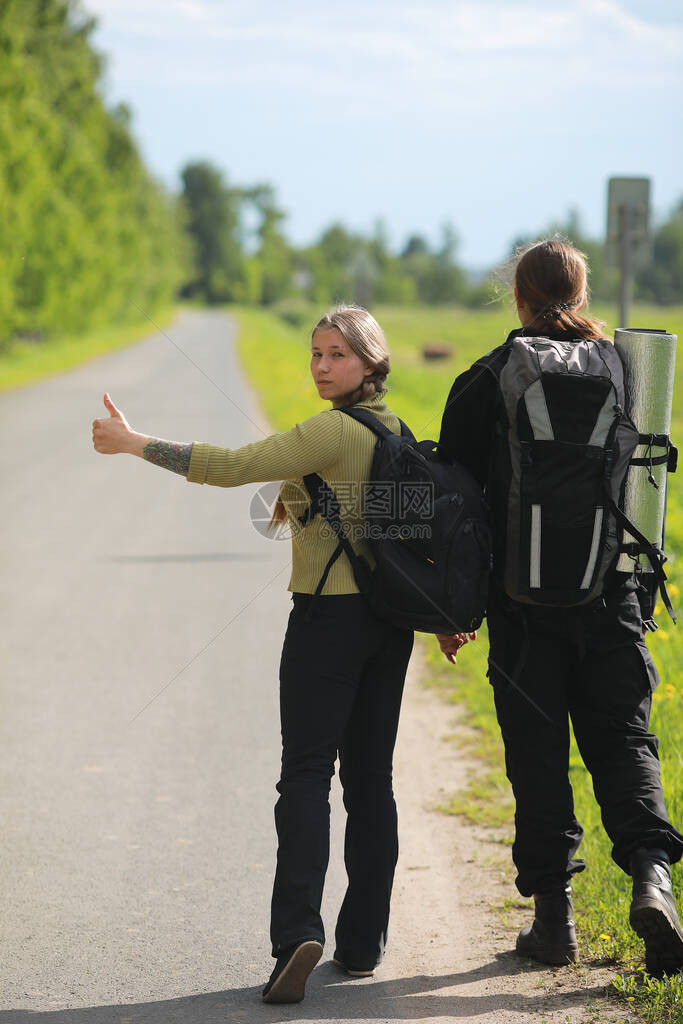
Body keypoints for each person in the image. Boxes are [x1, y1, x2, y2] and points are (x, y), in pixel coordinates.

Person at [92, 306, 416, 1003]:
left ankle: (297, 932)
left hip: (327, 620)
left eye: (337, 354)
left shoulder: (329, 430)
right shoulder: (397, 431)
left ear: (369, 362)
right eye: (316, 352)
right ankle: (362, 943)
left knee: (303, 775)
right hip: (389, 626)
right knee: (370, 783)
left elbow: (234, 467)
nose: (322, 365)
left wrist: (132, 441)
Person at [436, 240, 683, 977]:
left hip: (519, 608)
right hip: (610, 599)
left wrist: (458, 609)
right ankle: (652, 879)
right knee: (624, 742)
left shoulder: (485, 379)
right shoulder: (628, 371)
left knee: (536, 758)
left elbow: (458, 509)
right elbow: (647, 483)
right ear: (581, 295)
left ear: (516, 298)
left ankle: (554, 924)